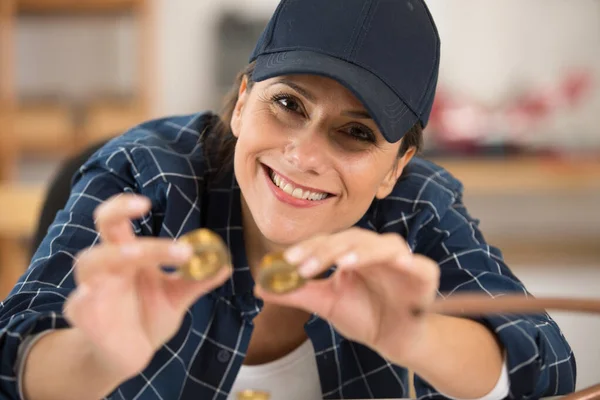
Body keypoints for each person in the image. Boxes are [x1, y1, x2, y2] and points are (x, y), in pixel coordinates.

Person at [0, 1, 576, 399]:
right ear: (243, 99)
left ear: (395, 167)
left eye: (357, 133)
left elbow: (546, 366)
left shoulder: (418, 209)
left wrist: (419, 338)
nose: (303, 156)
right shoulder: (146, 174)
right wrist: (99, 358)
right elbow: (11, 356)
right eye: (289, 105)